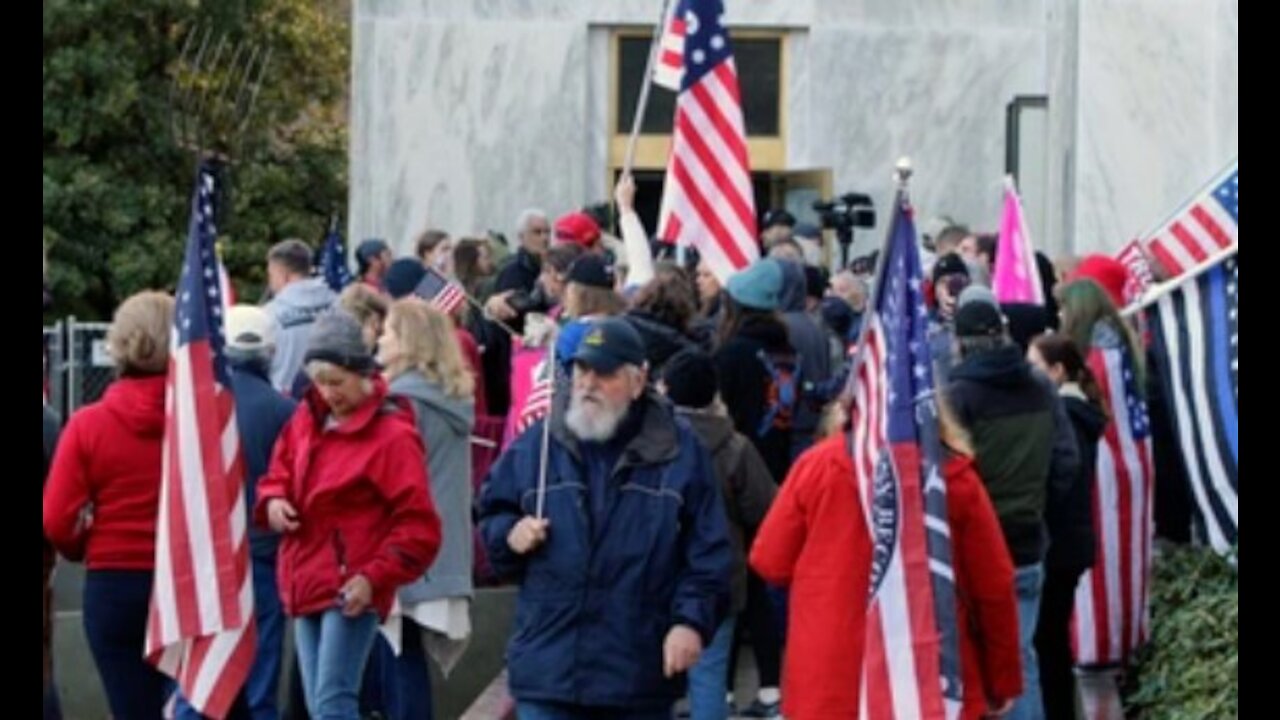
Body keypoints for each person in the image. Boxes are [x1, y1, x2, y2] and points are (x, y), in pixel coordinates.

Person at [477, 317, 733, 718]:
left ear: (637, 380)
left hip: (635, 674)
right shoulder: (539, 446)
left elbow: (710, 555)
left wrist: (690, 623)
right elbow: (492, 511)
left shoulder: (680, 452)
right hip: (550, 668)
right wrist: (509, 534)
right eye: (581, 369)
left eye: (604, 372)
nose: (588, 383)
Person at [254, 310, 442, 720]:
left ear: (362, 374)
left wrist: (373, 577)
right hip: (307, 575)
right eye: (320, 382)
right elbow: (278, 471)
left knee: (332, 703)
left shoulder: (392, 435)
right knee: (325, 702)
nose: (328, 391)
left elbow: (418, 525)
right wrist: (272, 501)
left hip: (351, 582)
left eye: (336, 382)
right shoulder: (306, 418)